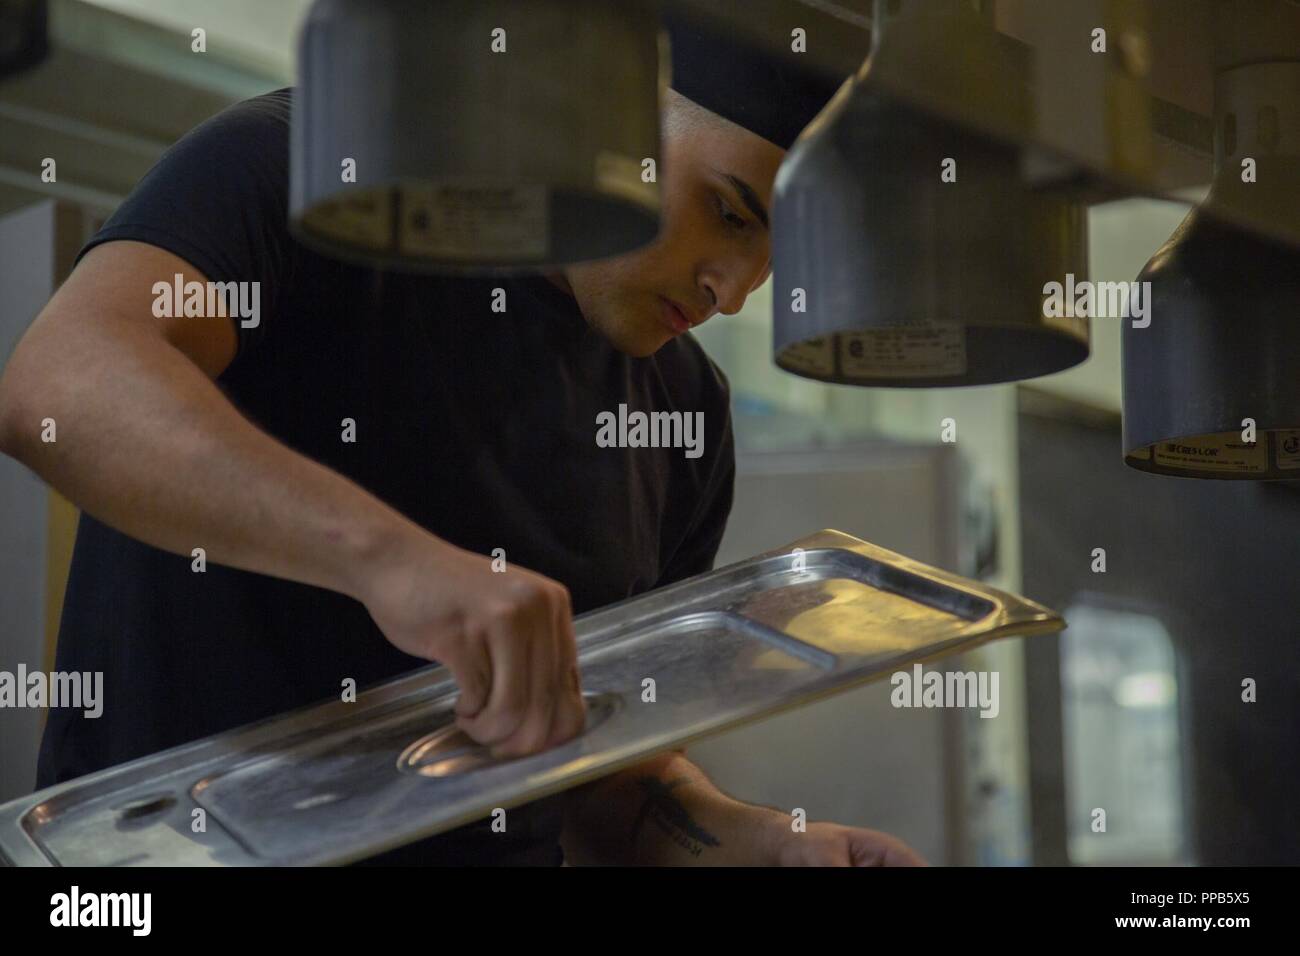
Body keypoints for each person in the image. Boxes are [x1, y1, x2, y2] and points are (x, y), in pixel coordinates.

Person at [0, 23, 924, 867]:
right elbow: (61, 384)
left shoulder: (683, 412)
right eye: (728, 214)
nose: (734, 292)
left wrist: (758, 845)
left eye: (776, 257)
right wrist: (393, 564)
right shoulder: (305, 174)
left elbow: (602, 780)